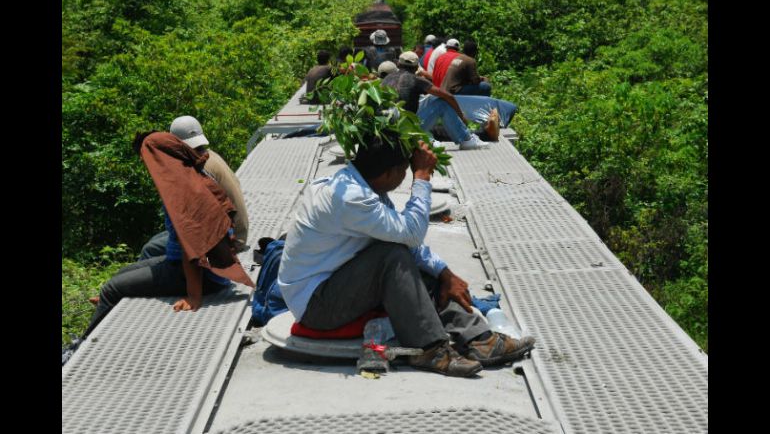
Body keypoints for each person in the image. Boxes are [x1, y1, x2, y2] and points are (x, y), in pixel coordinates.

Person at [277, 132, 536, 377]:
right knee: (393, 257)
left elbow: (406, 239)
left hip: (337, 284)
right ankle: (428, 349)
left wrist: (445, 273)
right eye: (404, 170)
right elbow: (410, 235)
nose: (406, 176)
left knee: (415, 264)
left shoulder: (361, 186)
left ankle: (478, 339)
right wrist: (422, 178)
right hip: (316, 305)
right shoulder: (349, 198)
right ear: (389, 173)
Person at [82, 131, 255, 342]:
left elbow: (190, 246)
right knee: (122, 273)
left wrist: (194, 297)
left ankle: (81, 344)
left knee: (111, 288)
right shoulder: (189, 176)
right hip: (197, 266)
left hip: (205, 275)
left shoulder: (182, 192)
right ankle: (109, 304)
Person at [139, 116, 249, 259]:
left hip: (229, 241)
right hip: (238, 232)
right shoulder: (211, 156)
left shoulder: (198, 168)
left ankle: (170, 279)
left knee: (150, 249)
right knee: (156, 240)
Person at [382, 51, 490, 150]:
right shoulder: (416, 80)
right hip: (407, 129)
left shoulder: (387, 79)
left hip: (388, 128)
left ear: (398, 65)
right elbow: (448, 96)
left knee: (427, 100)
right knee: (441, 103)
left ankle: (429, 139)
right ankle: (466, 139)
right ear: (416, 68)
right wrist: (462, 116)